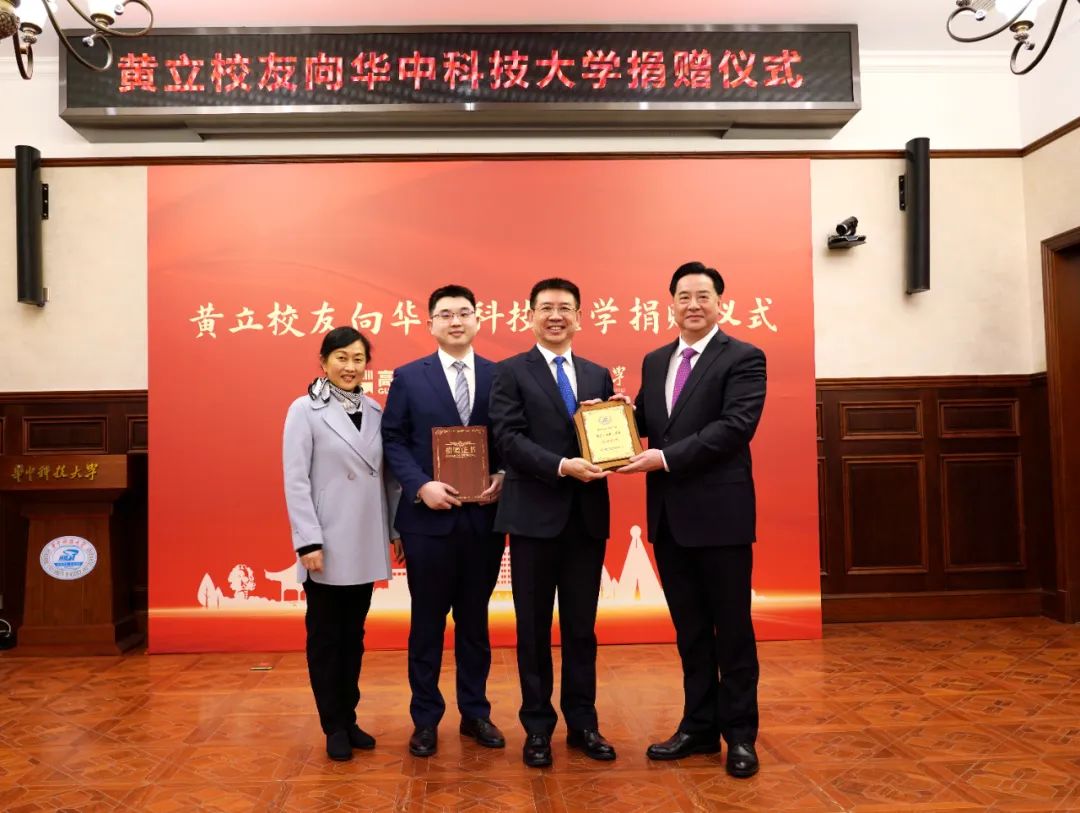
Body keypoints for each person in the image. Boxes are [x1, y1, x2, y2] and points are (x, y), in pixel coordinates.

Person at [619, 261, 767, 778]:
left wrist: (664, 458)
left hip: (721, 517)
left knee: (733, 630)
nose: (693, 305)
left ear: (720, 303)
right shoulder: (656, 360)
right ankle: (699, 728)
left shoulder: (744, 357)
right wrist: (614, 415)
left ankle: (740, 735)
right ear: (671, 304)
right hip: (669, 519)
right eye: (684, 296)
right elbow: (649, 419)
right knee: (691, 631)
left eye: (703, 296)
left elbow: (735, 426)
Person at [488, 277, 618, 768]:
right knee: (533, 630)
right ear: (531, 316)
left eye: (566, 308)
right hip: (532, 520)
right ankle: (538, 727)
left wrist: (614, 441)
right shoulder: (510, 372)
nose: (556, 315)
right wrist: (562, 466)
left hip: (586, 521)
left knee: (582, 629)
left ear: (580, 317)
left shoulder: (598, 375)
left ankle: (584, 724)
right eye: (546, 308)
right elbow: (508, 439)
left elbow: (606, 438)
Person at [381, 284, 508, 758]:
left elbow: (511, 435)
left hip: (483, 521)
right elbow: (393, 440)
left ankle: (475, 713)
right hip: (427, 523)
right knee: (427, 622)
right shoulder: (409, 377)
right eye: (446, 314)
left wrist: (503, 473)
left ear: (478, 320)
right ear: (431, 324)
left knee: (475, 622)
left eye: (464, 313)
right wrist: (420, 486)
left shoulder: (500, 375)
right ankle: (425, 719)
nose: (456, 321)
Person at [282, 326, 402, 762]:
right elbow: (296, 480)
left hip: (365, 538)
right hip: (326, 542)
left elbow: (388, 478)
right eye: (341, 358)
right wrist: (307, 542)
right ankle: (332, 723)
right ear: (323, 361)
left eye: (358, 359)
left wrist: (395, 531)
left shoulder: (374, 409)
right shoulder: (304, 409)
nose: (350, 367)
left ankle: (349, 717)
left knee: (354, 636)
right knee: (326, 637)